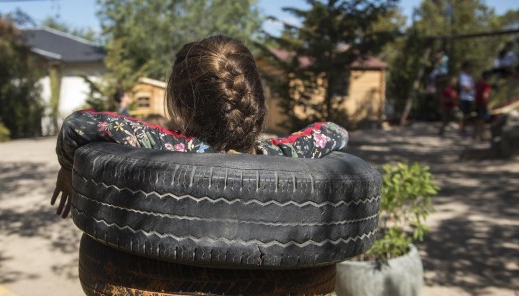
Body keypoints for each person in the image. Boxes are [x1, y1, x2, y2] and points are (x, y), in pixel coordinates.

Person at [51, 35, 349, 217]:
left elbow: (78, 125)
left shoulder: (169, 147)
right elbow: (334, 133)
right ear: (256, 97)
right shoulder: (283, 156)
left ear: (183, 104)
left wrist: (68, 168)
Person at [458, 61, 476, 137]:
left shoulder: (469, 76)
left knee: (469, 115)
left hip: (471, 98)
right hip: (465, 98)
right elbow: (465, 87)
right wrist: (474, 87)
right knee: (465, 115)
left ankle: (465, 129)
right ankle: (462, 129)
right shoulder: (463, 76)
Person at [474, 71, 492, 141]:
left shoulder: (479, 84)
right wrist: (487, 105)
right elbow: (485, 95)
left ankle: (475, 135)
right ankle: (480, 136)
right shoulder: (486, 85)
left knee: (477, 119)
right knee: (482, 120)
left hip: (477, 103)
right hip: (482, 104)